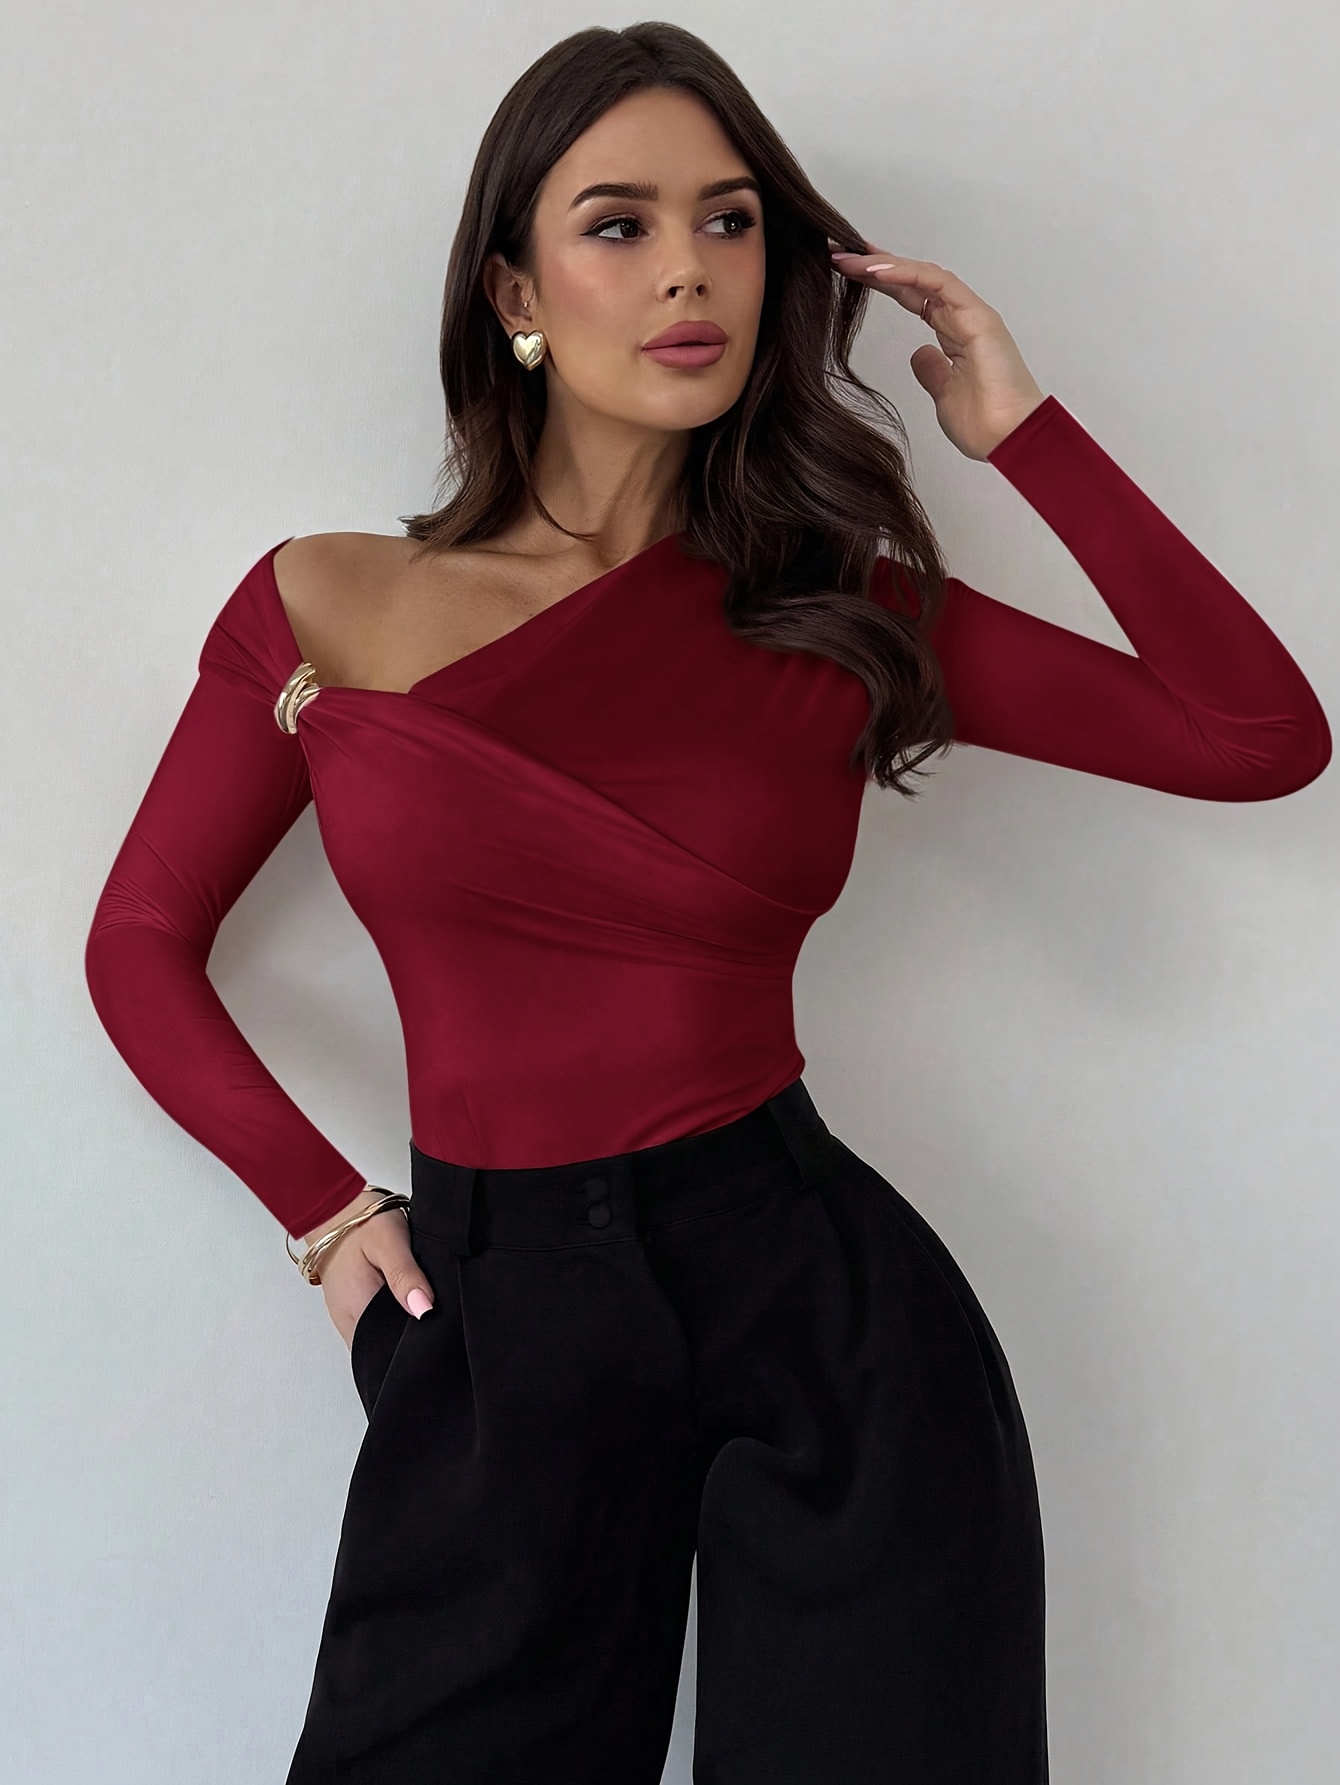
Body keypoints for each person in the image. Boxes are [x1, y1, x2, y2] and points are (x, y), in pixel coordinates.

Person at [83, 22, 1329, 1785]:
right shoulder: (326, 603)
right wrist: (326, 1217)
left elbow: (1259, 737)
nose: (690, 269)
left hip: (820, 1314)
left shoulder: (842, 609)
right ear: (514, 288)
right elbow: (140, 944)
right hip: (493, 1318)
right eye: (620, 224)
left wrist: (1023, 432)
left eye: (730, 221)